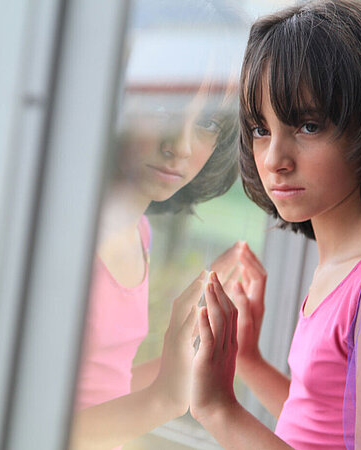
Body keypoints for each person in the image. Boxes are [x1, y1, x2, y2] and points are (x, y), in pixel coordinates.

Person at [190, 1, 361, 449]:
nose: (274, 159)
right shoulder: (355, 267)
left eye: (308, 125)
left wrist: (218, 410)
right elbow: (332, 426)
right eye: (261, 129)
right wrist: (249, 362)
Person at [68, 4, 244, 447]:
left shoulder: (138, 232)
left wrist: (187, 351)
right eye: (164, 106)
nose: (180, 146)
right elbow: (38, 423)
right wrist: (163, 400)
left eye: (207, 122)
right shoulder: (69, 236)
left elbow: (103, 389)